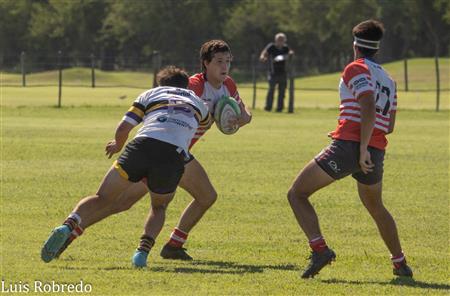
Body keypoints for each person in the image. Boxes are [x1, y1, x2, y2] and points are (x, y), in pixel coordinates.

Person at [52, 40, 252, 267]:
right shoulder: (193, 87)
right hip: (170, 152)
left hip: (177, 153)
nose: (225, 66)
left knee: (205, 196)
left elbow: (244, 113)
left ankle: (174, 245)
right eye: (219, 62)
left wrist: (239, 119)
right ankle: (69, 235)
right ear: (205, 64)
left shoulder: (229, 86)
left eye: (228, 61)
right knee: (120, 202)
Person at [41, 66, 211, 263]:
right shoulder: (199, 103)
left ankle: (68, 224)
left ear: (160, 84)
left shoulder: (151, 93)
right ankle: (141, 253)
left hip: (142, 146)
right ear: (187, 86)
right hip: (173, 156)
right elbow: (203, 125)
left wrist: (117, 145)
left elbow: (123, 127)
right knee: (159, 207)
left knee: (102, 197)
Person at [286, 20, 413, 278]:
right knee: (376, 207)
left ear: (355, 46)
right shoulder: (389, 79)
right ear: (376, 49)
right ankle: (400, 263)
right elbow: (388, 125)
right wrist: (364, 142)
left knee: (297, 194)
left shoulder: (355, 68)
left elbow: (367, 104)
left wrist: (359, 146)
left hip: (353, 147)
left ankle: (320, 250)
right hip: (375, 149)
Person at [259, 32, 294, 112]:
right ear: (276, 40)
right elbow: (264, 53)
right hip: (273, 73)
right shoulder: (271, 46)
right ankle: (268, 107)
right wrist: (262, 57)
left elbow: (290, 52)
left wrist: (289, 54)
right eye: (279, 39)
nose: (280, 41)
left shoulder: (285, 48)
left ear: (284, 40)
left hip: (283, 73)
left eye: (282, 40)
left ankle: (279, 108)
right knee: (271, 90)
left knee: (282, 92)